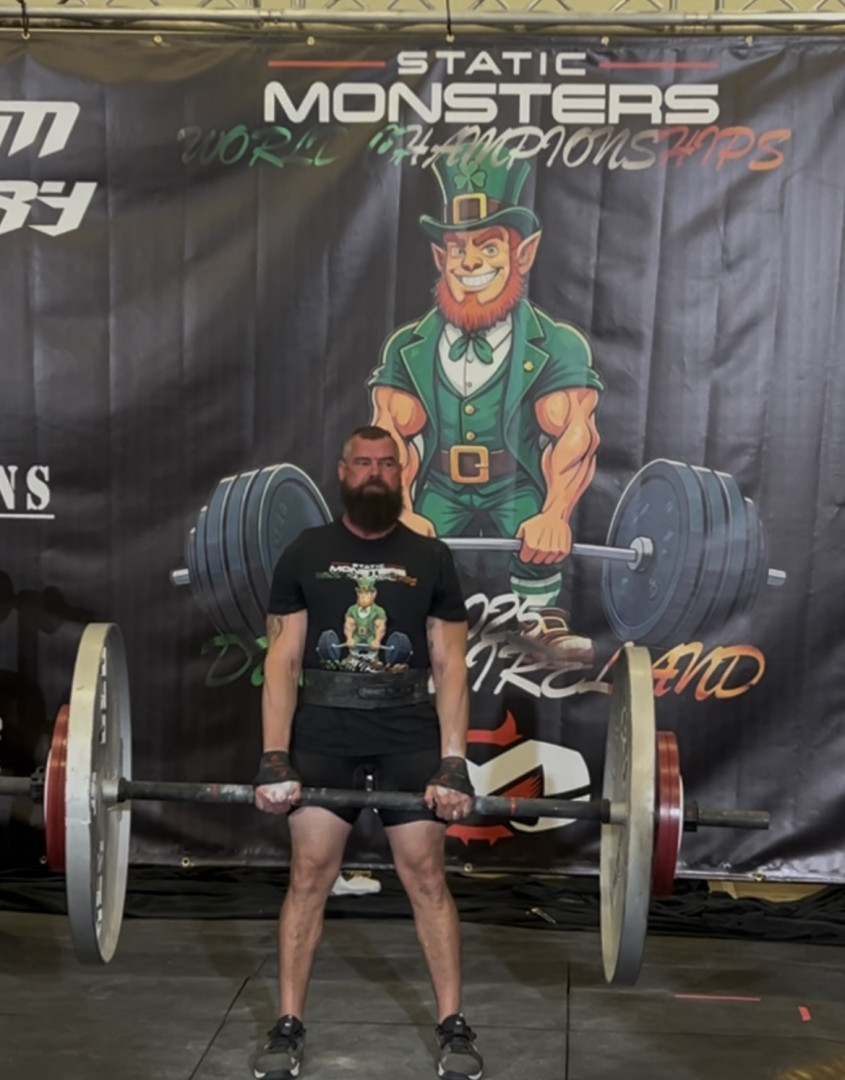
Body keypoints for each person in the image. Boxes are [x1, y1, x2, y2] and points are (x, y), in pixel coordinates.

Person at [251, 424, 484, 1080]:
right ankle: (288, 1023)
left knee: (426, 877)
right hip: (325, 733)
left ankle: (453, 1025)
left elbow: (450, 665)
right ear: (343, 470)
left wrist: (453, 761)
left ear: (401, 473)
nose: (375, 472)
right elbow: (283, 660)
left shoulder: (431, 557)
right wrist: (274, 756)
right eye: (363, 462)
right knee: (308, 875)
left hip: (407, 732)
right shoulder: (305, 552)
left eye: (386, 463)